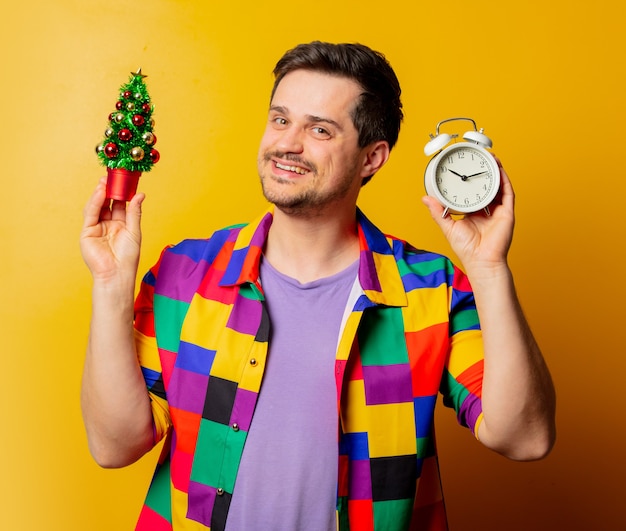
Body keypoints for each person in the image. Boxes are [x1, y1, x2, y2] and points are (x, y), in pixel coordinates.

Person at [80, 41, 556, 531]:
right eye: (280, 119)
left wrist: (490, 269)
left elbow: (525, 438)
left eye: (320, 129)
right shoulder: (186, 273)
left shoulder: (430, 290)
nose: (287, 143)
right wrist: (112, 284)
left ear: (371, 158)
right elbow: (115, 446)